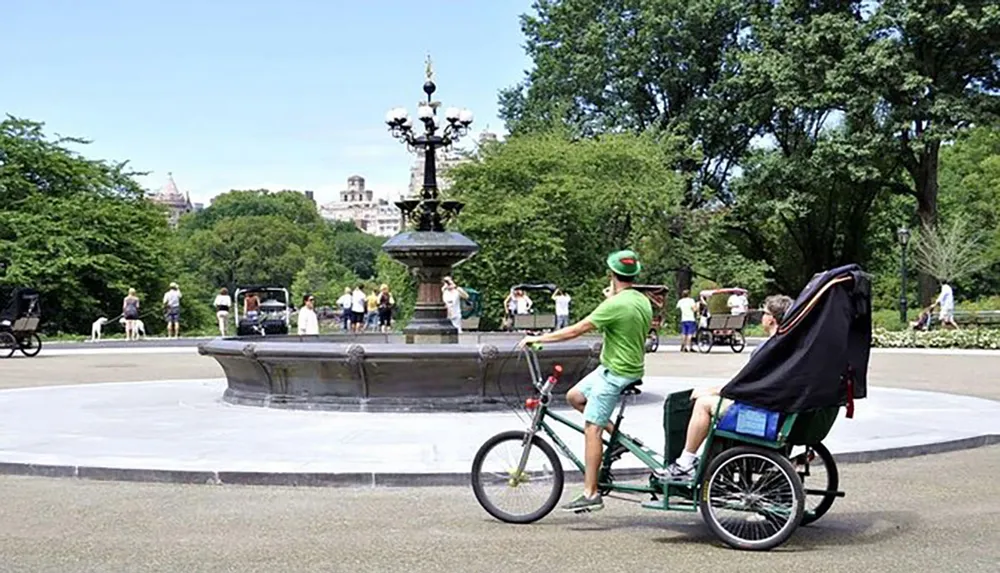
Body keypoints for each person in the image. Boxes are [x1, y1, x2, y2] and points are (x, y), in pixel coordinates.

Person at [517, 250, 651, 513]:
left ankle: (591, 493)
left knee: (592, 428)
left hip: (617, 373)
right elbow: (624, 315)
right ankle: (620, 440)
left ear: (612, 275)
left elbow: (577, 330)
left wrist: (538, 339)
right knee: (574, 397)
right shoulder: (640, 299)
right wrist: (612, 297)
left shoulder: (614, 305)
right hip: (622, 368)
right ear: (633, 275)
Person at [658, 294, 794, 481]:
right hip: (773, 407)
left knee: (703, 404)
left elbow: (745, 384)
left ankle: (685, 462)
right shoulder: (789, 346)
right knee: (710, 397)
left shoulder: (767, 349)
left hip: (759, 414)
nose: (762, 316)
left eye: (765, 313)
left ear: (771, 319)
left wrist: (714, 391)